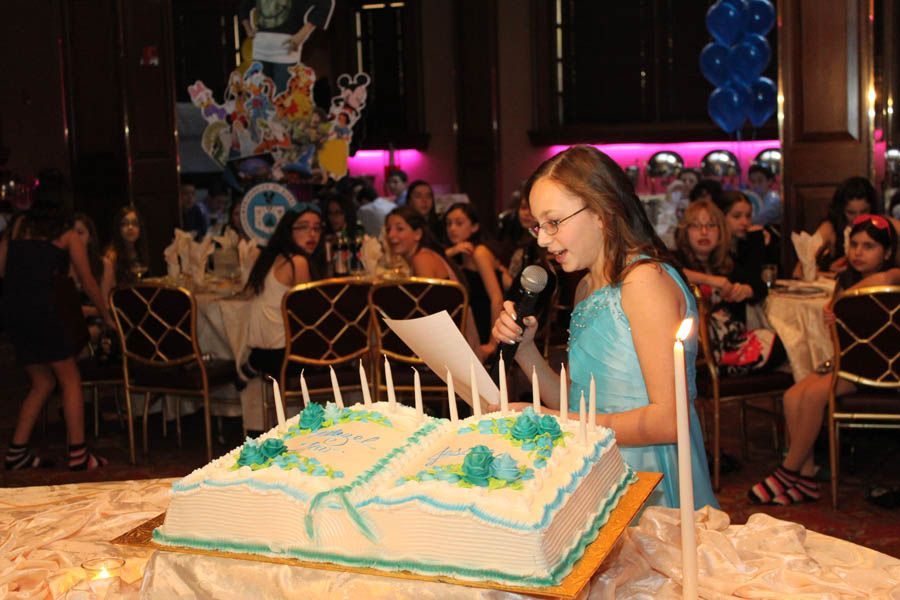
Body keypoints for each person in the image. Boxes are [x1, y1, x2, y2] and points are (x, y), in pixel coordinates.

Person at [491, 146, 717, 509]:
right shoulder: (586, 286)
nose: (542, 239)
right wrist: (526, 350)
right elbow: (580, 401)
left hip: (645, 475)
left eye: (553, 222)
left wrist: (556, 422)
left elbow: (668, 421)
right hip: (598, 464)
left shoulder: (644, 282)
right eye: (537, 225)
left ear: (600, 212)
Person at [749, 214, 900, 506]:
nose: (858, 252)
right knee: (793, 396)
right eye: (854, 244)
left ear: (888, 252)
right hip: (849, 365)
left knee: (814, 396)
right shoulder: (845, 280)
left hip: (883, 373)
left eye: (868, 246)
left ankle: (787, 470)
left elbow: (889, 278)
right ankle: (806, 478)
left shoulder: (890, 279)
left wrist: (847, 301)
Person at [0, 174, 113, 470]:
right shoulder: (66, 232)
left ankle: (16, 451)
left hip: (14, 312)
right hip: (44, 311)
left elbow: (1, 268)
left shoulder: (17, 226)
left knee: (42, 381)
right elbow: (88, 281)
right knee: (70, 378)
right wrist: (106, 314)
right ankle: (78, 454)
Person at [674, 200, 785, 376]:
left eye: (711, 226)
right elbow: (671, 272)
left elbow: (759, 286)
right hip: (696, 347)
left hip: (732, 342)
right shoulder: (675, 260)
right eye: (696, 226)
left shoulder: (726, 263)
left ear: (720, 231)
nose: (704, 232)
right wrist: (713, 281)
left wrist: (744, 290)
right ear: (685, 231)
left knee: (786, 343)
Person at [245, 204, 324, 377]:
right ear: (289, 230)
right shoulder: (298, 262)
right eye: (303, 227)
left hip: (263, 352)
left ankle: (252, 365)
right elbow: (307, 317)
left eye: (317, 228)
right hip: (285, 356)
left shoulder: (271, 257)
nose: (312, 234)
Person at [444, 202, 503, 359]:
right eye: (448, 223)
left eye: (459, 223)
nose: (452, 228)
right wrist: (452, 251)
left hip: (487, 325)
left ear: (475, 227)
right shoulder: (459, 254)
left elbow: (497, 298)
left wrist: (493, 343)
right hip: (471, 323)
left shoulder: (479, 252)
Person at [239, 0, 335, 93]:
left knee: (283, 98)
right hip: (261, 47)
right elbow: (243, 5)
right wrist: (248, 29)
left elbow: (325, 3)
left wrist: (302, 34)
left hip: (286, 48)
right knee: (260, 98)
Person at [804, 176, 877, 275]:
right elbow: (799, 271)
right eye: (851, 213)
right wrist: (831, 273)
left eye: (864, 212)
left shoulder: (880, 225)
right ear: (841, 211)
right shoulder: (829, 228)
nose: (858, 218)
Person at [102, 207, 150, 301]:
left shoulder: (140, 251)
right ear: (118, 229)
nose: (130, 228)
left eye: (135, 224)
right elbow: (107, 296)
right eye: (124, 224)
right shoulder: (111, 256)